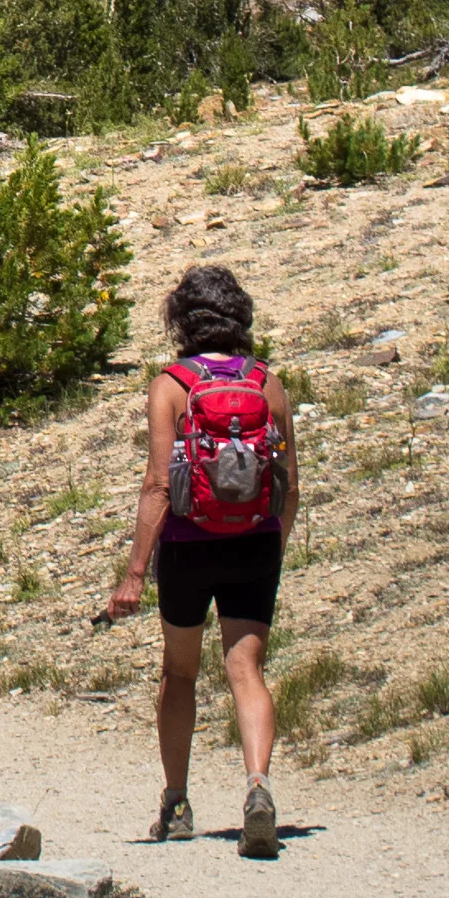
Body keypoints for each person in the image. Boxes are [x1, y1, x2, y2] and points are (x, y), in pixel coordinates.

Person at [103, 264, 298, 858]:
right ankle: (258, 787)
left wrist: (135, 572)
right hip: (255, 542)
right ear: (239, 315)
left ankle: (177, 802)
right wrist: (273, 544)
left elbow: (160, 484)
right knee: (248, 672)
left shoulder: (171, 385)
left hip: (189, 546)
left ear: (181, 321)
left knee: (180, 672)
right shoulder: (266, 383)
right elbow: (288, 484)